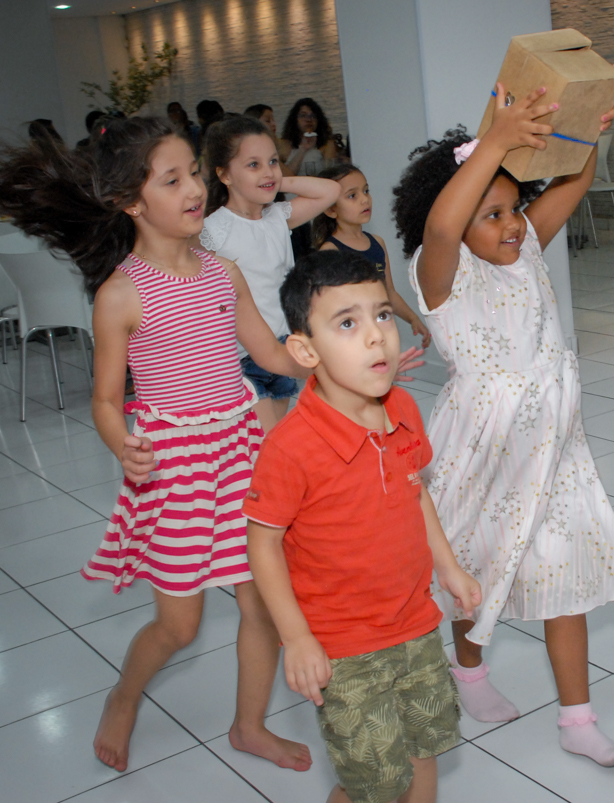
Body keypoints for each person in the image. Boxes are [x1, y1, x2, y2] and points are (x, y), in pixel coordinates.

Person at [0, 116, 314, 773]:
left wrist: (330, 358)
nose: (195, 188)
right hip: (173, 466)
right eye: (173, 180)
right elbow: (106, 401)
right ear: (131, 202)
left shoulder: (222, 272)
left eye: (194, 172)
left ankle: (248, 724)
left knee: (260, 598)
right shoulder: (121, 295)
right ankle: (124, 693)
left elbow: (267, 352)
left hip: (239, 446)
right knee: (180, 624)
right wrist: (124, 445)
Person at [392, 79, 614, 768]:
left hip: (555, 449)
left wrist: (585, 129)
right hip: (484, 452)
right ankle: (467, 669)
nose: (509, 224)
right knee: (476, 573)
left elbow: (574, 179)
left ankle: (578, 717)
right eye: (490, 212)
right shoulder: (440, 272)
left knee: (568, 578)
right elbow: (445, 224)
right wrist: (496, 139)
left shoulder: (527, 244)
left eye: (512, 207)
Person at [245, 249, 481, 803]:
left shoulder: (403, 408)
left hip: (416, 623)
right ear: (304, 349)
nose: (377, 336)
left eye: (381, 315)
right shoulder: (291, 447)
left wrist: (448, 565)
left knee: (425, 751)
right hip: (343, 648)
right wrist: (297, 638)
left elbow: (413, 489)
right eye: (347, 323)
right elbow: (262, 545)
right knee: (373, 782)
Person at [200, 115, 342, 432]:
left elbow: (330, 190)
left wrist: (279, 182)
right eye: (253, 165)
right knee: (264, 445)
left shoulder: (278, 217)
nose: (267, 171)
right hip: (242, 355)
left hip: (284, 346)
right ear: (224, 174)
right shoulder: (213, 229)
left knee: (275, 440)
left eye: (273, 162)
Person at [315, 163, 430, 348]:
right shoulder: (330, 252)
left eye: (366, 191)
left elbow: (389, 292)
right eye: (352, 195)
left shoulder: (378, 243)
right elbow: (329, 309)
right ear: (331, 210)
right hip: (352, 340)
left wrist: (412, 318)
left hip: (381, 332)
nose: (364, 200)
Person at [278, 97, 338, 177]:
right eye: (303, 116)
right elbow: (284, 176)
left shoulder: (327, 144)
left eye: (313, 116)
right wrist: (303, 149)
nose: (309, 120)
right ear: (295, 119)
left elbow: (331, 174)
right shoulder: (284, 144)